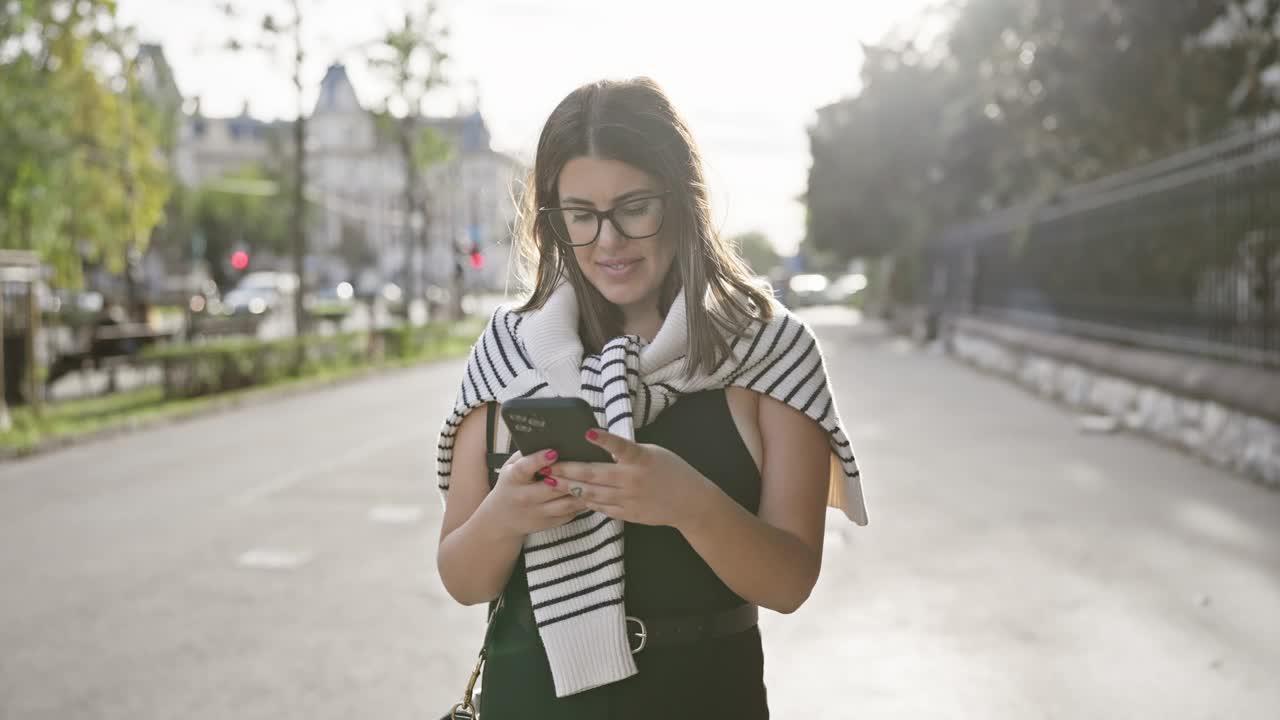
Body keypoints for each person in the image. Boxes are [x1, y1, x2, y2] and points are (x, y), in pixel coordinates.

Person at [435, 77, 868, 719]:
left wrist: (688, 504)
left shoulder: (771, 351)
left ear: (683, 199)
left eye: (633, 207)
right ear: (552, 222)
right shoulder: (511, 351)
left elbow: (789, 583)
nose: (607, 241)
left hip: (702, 696)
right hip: (530, 697)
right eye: (580, 215)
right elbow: (463, 580)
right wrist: (505, 516)